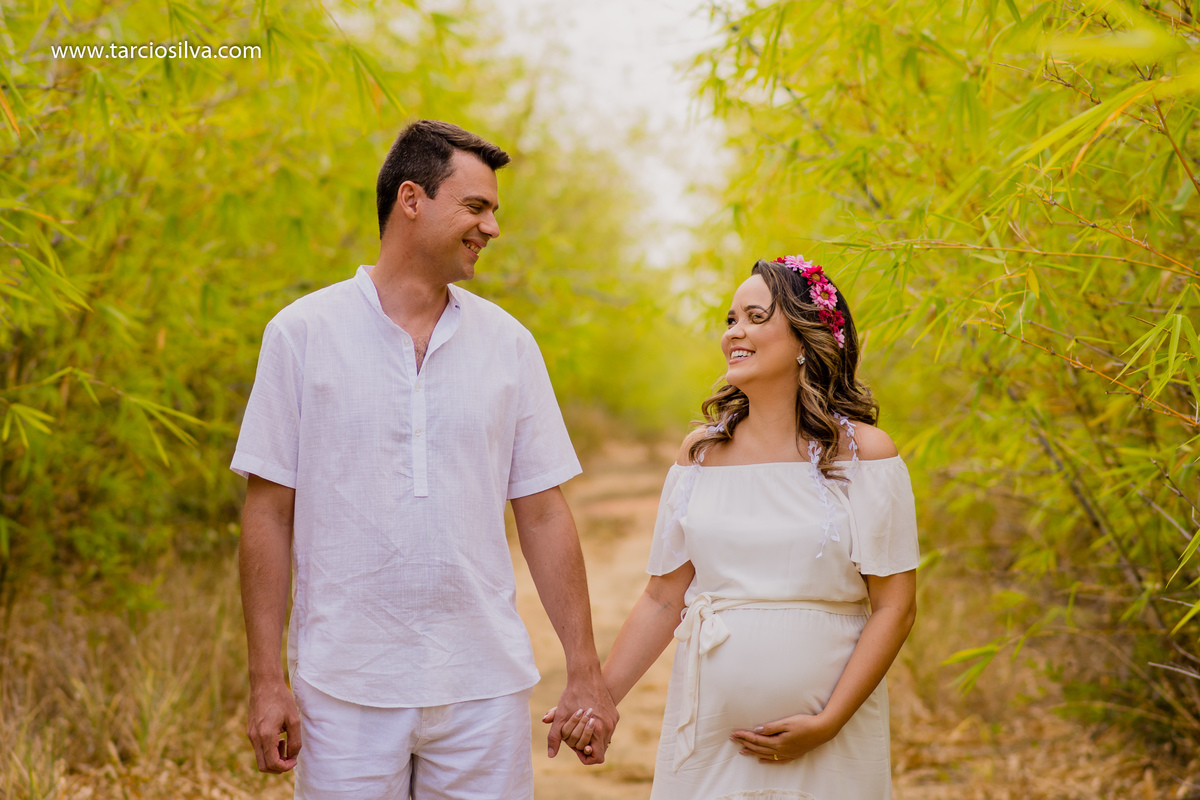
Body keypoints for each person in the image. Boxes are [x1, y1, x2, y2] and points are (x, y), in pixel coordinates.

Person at [232, 119, 617, 799]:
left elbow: (544, 513)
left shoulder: (509, 345)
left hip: (482, 686)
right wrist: (267, 681)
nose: (492, 227)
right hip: (343, 687)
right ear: (412, 199)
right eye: (476, 206)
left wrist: (584, 668)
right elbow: (267, 512)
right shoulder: (301, 335)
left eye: (493, 210)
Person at [550, 255, 919, 798]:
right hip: (711, 737)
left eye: (754, 316)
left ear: (803, 340)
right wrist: (599, 702)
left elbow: (896, 606)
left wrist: (829, 722)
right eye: (730, 320)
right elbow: (661, 598)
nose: (734, 333)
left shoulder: (864, 454)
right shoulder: (701, 453)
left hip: (830, 736)